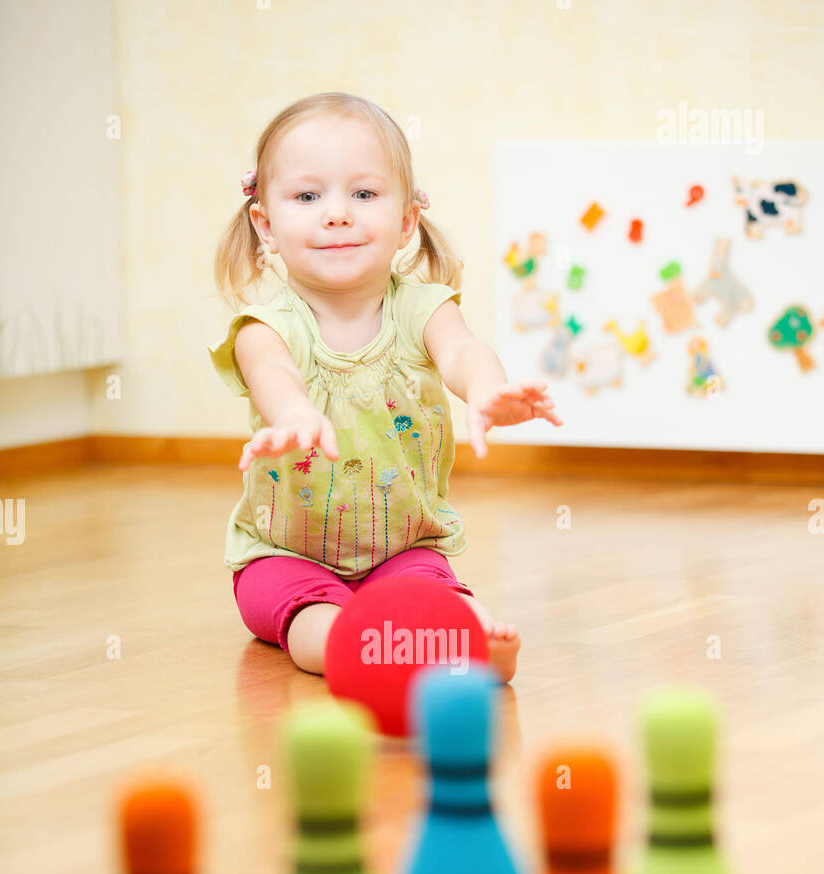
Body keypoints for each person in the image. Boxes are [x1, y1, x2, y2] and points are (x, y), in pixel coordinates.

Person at [209, 92, 562, 683]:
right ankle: (354, 646)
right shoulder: (264, 328)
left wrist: (486, 388)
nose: (338, 213)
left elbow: (461, 351)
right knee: (311, 619)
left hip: (404, 552)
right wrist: (293, 413)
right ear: (266, 226)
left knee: (437, 596)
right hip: (282, 557)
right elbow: (273, 376)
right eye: (307, 196)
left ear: (406, 222)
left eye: (364, 194)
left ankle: (474, 640)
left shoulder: (423, 308)